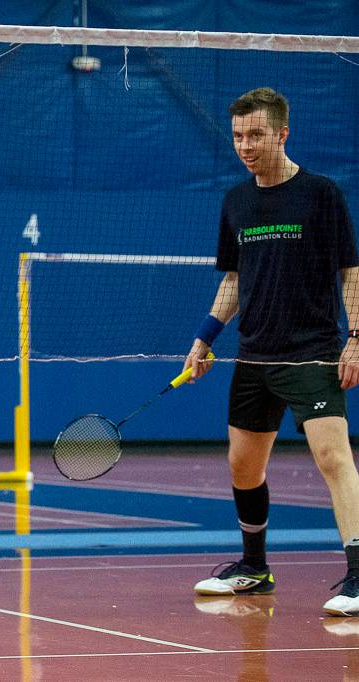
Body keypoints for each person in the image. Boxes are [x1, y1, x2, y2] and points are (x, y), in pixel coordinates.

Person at [185, 87, 359, 615]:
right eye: (238, 136)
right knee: (243, 466)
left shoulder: (320, 194)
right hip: (253, 356)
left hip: (310, 352)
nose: (245, 145)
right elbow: (234, 279)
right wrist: (204, 338)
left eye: (256, 134)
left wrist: (356, 337)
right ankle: (254, 568)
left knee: (333, 459)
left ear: (283, 134)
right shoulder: (235, 201)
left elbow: (350, 271)